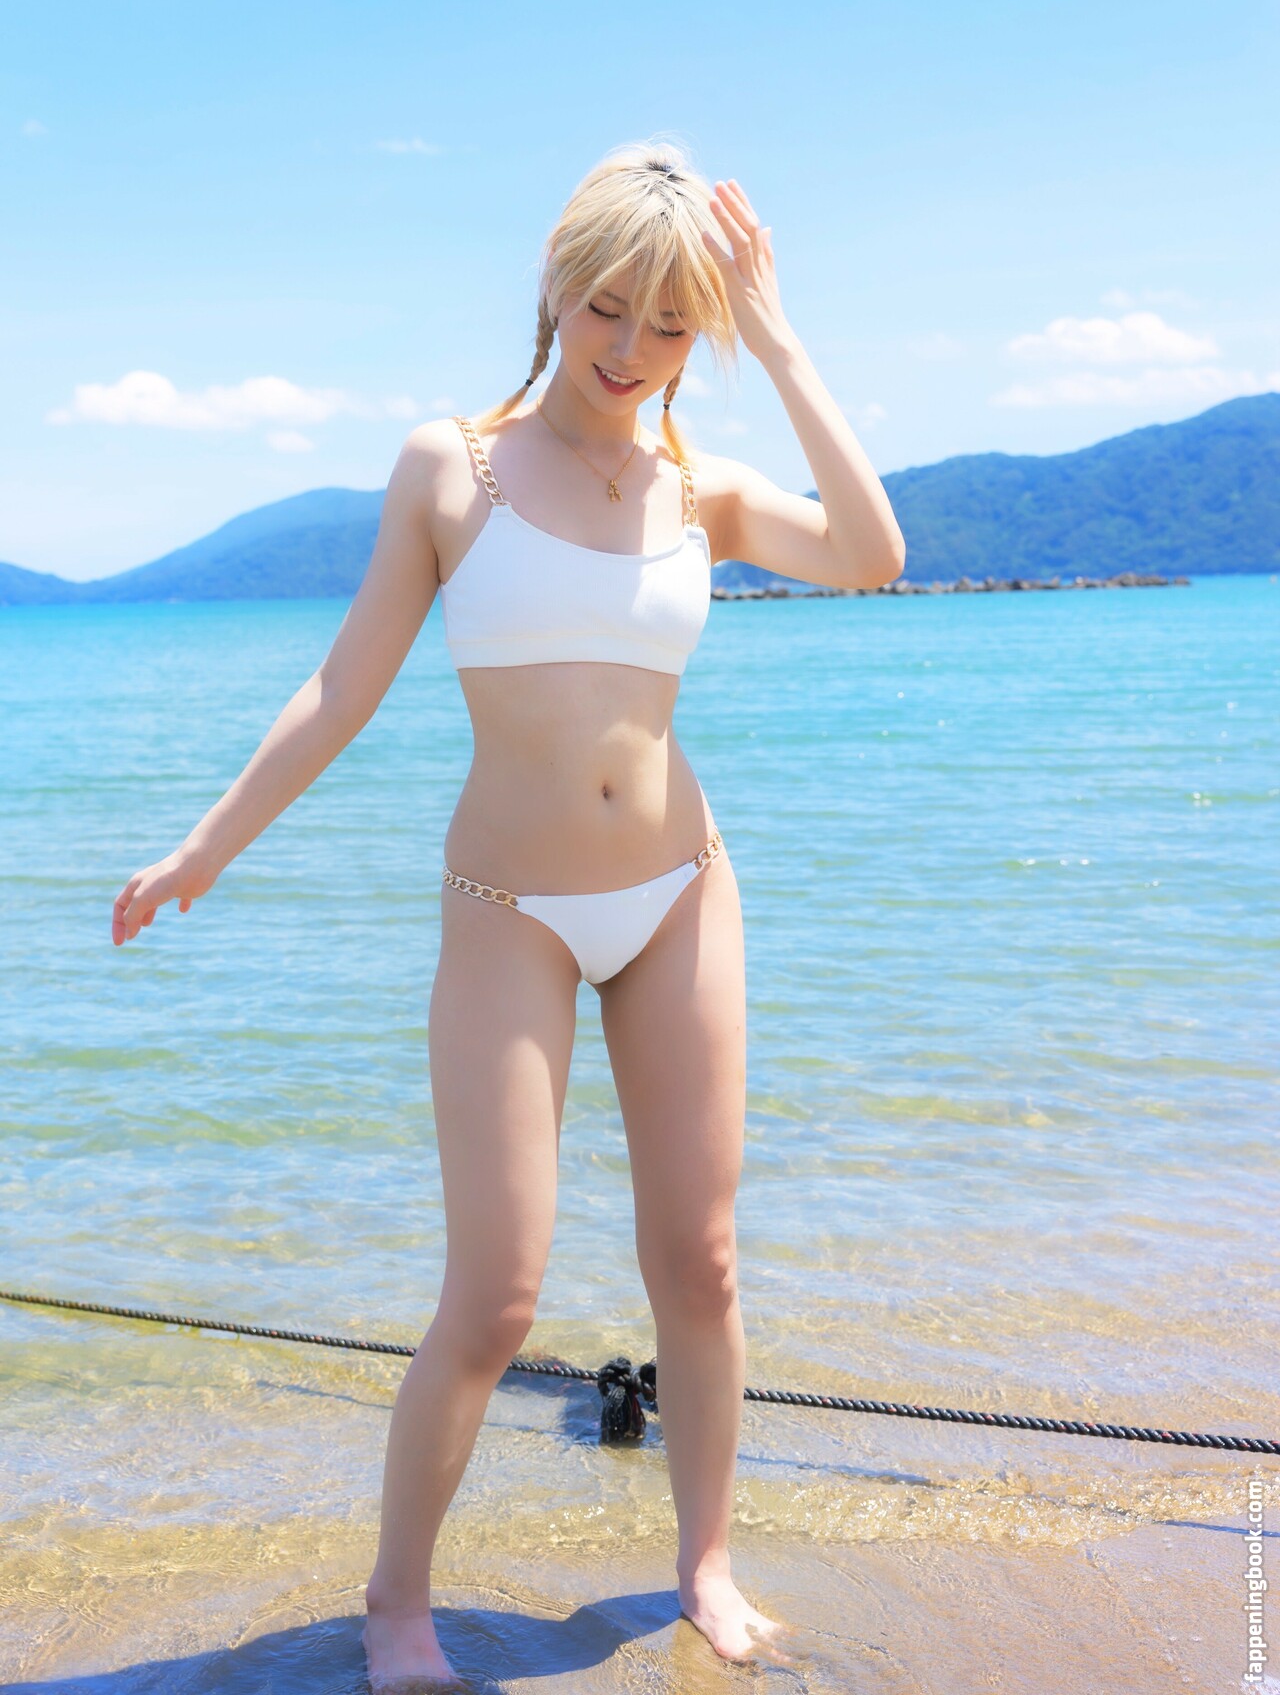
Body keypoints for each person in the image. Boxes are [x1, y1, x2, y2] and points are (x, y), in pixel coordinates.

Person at [111, 139, 906, 1688]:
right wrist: (207, 848)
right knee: (496, 1294)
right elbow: (342, 689)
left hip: (681, 893)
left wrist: (777, 335)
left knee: (704, 1261)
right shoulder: (452, 470)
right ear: (555, 282)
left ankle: (705, 1565)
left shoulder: (702, 489)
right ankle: (396, 1603)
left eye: (671, 324)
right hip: (510, 910)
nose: (631, 350)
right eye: (609, 307)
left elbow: (874, 556)